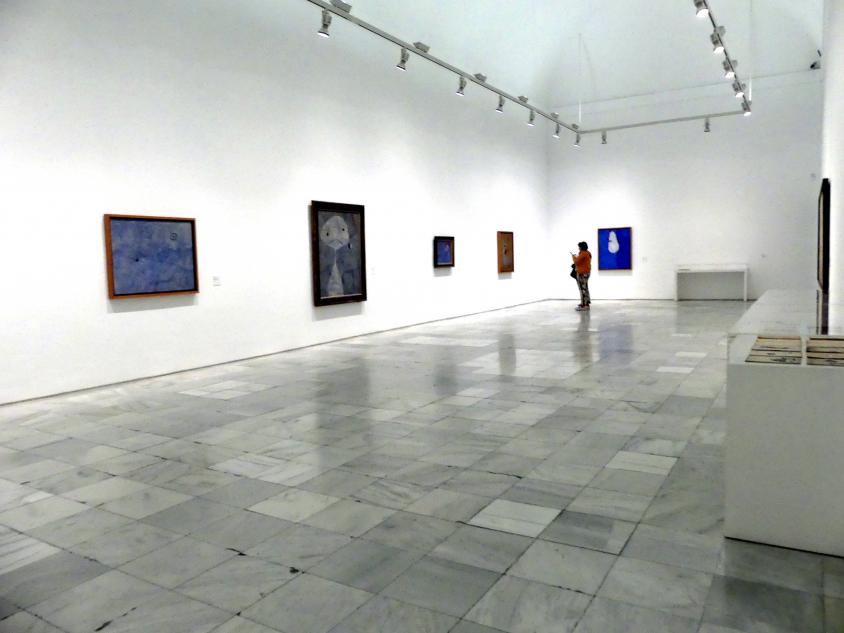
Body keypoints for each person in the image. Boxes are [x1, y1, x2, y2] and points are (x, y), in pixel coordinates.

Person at [571, 241, 592, 311]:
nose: (578, 248)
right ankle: (586, 303)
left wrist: (573, 257)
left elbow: (576, 262)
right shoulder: (588, 253)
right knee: (585, 288)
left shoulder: (583, 253)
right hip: (586, 272)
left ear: (581, 247)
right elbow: (582, 261)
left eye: (579, 247)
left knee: (582, 289)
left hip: (582, 273)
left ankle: (584, 305)